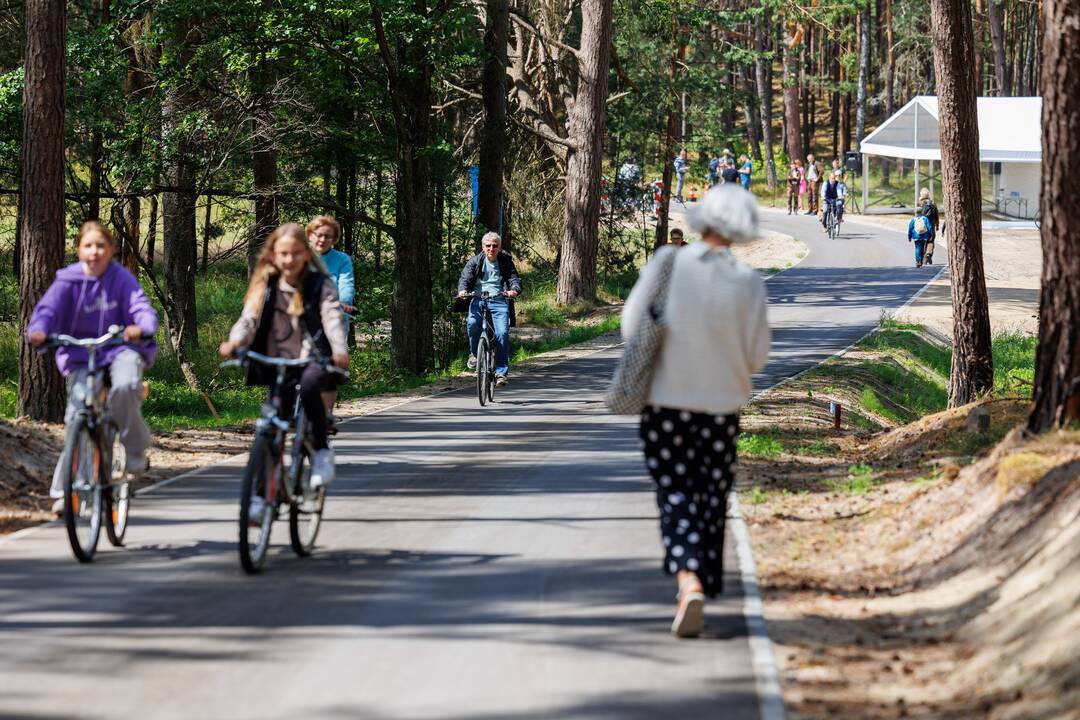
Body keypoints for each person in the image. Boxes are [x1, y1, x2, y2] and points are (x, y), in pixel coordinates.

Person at [623, 185, 770, 638]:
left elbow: (631, 325)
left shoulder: (667, 263)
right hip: (722, 406)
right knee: (711, 493)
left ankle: (688, 581)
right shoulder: (748, 283)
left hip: (666, 403)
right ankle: (700, 576)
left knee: (676, 492)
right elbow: (759, 355)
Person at [27, 221, 159, 514]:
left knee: (125, 387)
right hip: (82, 354)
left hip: (120, 349)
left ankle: (135, 450)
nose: (95, 251)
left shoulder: (120, 278)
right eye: (88, 245)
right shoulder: (67, 280)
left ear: (111, 249)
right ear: (78, 250)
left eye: (101, 245)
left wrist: (143, 326)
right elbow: (47, 311)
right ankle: (66, 492)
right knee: (77, 418)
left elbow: (140, 306)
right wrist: (39, 330)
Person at [219, 223, 349, 499]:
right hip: (276, 358)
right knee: (271, 424)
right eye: (283, 254)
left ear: (306, 254)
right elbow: (248, 319)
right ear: (273, 255)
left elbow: (332, 318)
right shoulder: (265, 285)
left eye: (295, 253)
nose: (289, 260)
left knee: (312, 386)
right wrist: (234, 342)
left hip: (312, 356)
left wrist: (339, 349)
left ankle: (321, 452)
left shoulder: (320, 284)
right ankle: (259, 498)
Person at [457, 231, 522, 387]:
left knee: (502, 333)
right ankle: (474, 354)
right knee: (473, 324)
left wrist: (514, 290)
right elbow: (465, 278)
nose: (491, 249)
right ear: (483, 247)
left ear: (499, 247)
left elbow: (514, 278)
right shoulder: (475, 261)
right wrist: (463, 291)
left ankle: (501, 372)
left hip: (499, 300)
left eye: (494, 246)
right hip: (478, 300)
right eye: (488, 246)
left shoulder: (505, 261)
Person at [307, 215, 355, 424]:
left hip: (333, 316)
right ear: (310, 235)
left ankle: (325, 413)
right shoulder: (300, 256)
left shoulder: (341, 259)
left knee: (331, 364)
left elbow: (346, 284)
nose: (322, 239)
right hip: (303, 316)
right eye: (319, 235)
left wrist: (343, 303)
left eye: (328, 236)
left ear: (334, 240)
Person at [919, 188, 940, 265]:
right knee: (930, 241)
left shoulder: (920, 203)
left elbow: (917, 216)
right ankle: (928, 254)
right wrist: (937, 225)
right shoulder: (933, 203)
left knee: (922, 241)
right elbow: (936, 215)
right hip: (931, 225)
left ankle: (922, 260)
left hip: (922, 225)